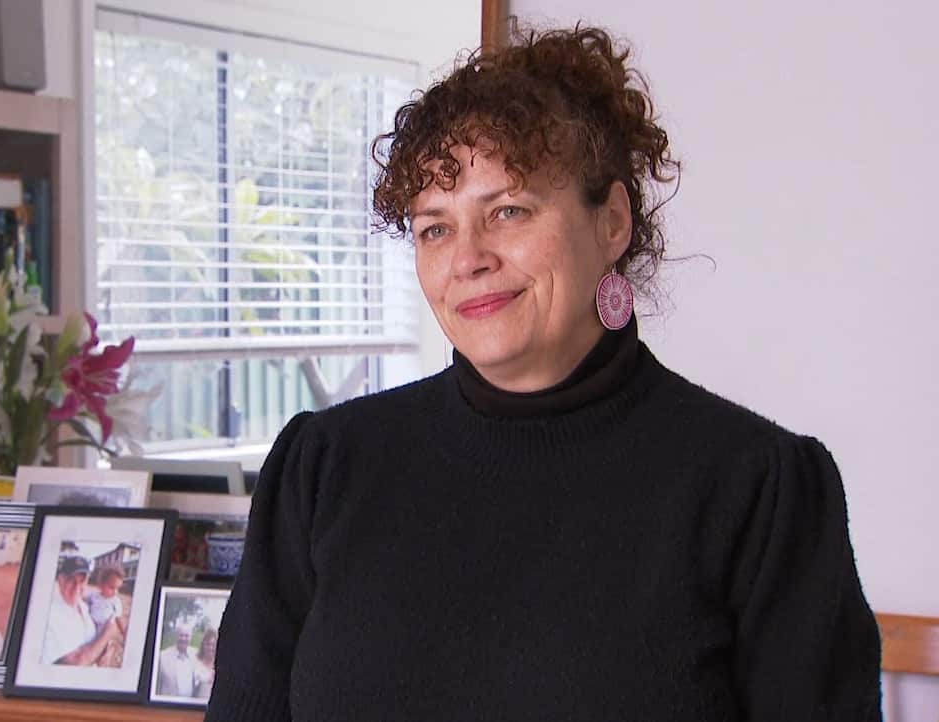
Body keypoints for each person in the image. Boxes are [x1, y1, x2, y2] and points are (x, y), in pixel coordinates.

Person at [205, 25, 882, 722]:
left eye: (508, 211)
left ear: (612, 222)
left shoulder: (759, 489)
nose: (467, 257)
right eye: (435, 227)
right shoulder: (323, 468)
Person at [41, 551, 121, 665]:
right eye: (70, 580)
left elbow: (93, 639)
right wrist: (107, 633)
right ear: (60, 580)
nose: (77, 587)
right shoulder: (48, 616)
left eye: (82, 580)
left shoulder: (84, 606)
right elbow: (74, 663)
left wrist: (105, 650)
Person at [155, 623, 198, 698]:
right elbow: (156, 685)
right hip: (169, 705)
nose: (183, 638)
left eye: (186, 636)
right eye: (181, 635)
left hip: (190, 705)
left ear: (191, 637)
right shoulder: (162, 656)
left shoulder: (197, 655)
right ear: (176, 636)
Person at [84, 566, 127, 637]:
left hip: (104, 631)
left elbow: (119, 619)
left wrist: (124, 634)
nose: (115, 592)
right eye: (112, 588)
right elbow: (83, 599)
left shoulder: (115, 602)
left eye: (118, 588)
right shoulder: (94, 595)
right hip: (91, 628)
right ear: (101, 585)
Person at [193, 626, 218, 700]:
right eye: (208, 644)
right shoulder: (196, 664)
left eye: (213, 645)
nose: (210, 648)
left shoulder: (221, 666)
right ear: (203, 645)